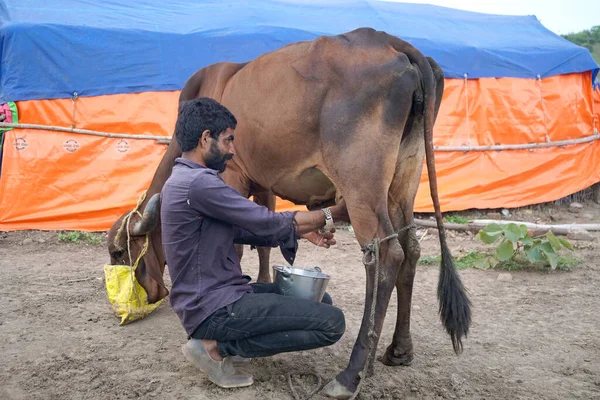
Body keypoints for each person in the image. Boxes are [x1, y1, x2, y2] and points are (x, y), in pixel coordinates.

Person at [160, 97, 347, 389]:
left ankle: (222, 341)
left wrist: (300, 231)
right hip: (214, 307)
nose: (233, 150)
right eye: (228, 140)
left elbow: (241, 230)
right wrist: (331, 213)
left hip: (213, 299)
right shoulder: (199, 184)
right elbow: (263, 220)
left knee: (320, 301)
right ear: (205, 138)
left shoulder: (185, 180)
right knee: (332, 323)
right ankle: (217, 349)